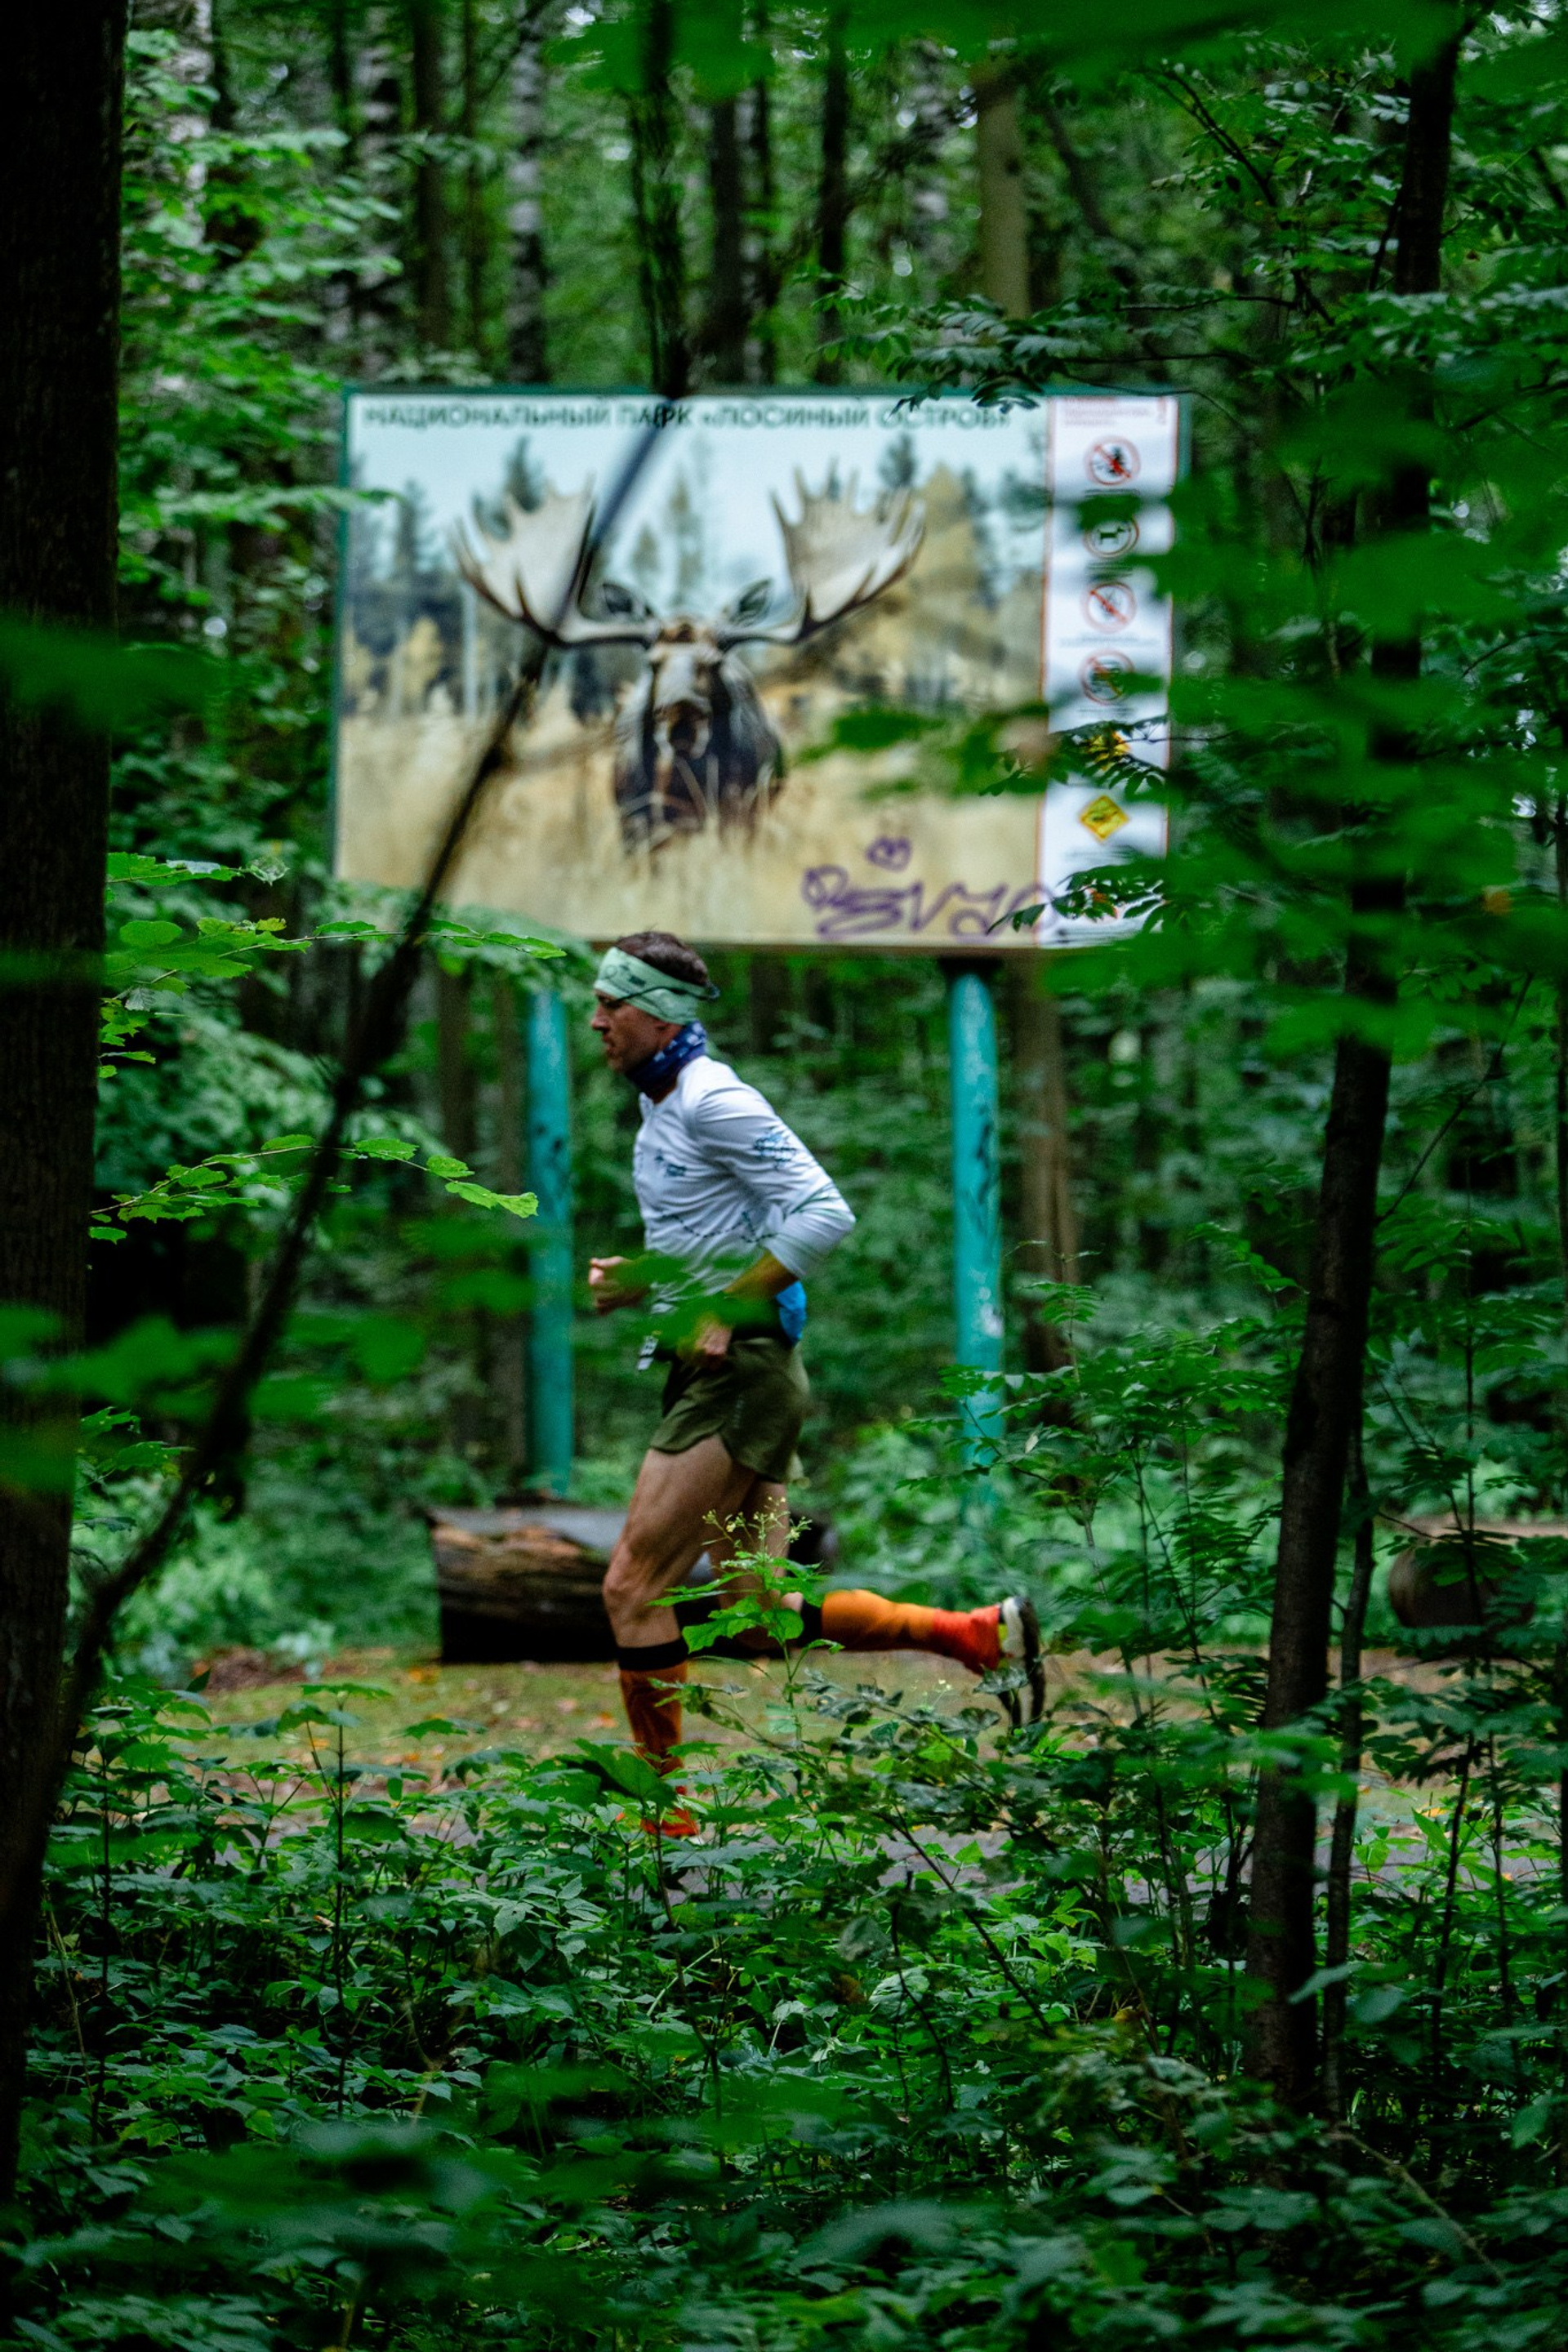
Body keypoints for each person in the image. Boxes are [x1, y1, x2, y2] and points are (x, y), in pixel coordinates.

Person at [589, 929, 1044, 1833]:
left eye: (614, 1003)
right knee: (752, 1615)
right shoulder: (666, 1104)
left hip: (742, 1374)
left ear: (662, 1013)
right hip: (726, 1371)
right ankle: (972, 1634)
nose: (598, 1020)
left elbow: (824, 1213)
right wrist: (651, 1282)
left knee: (632, 1589)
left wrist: (727, 1307)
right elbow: (723, 1232)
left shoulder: (715, 1098)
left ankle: (663, 1821)